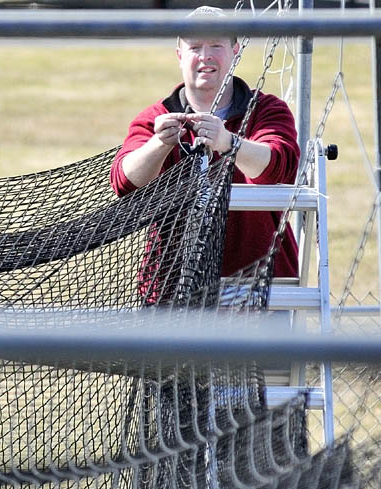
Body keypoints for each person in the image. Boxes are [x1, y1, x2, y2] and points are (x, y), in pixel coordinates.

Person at [110, 6, 300, 285]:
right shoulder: (155, 118)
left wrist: (228, 143)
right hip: (173, 286)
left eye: (216, 45)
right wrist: (158, 145)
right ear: (179, 56)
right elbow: (124, 182)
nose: (205, 56)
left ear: (235, 51)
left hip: (259, 284)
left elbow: (279, 166)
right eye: (195, 47)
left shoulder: (267, 110)